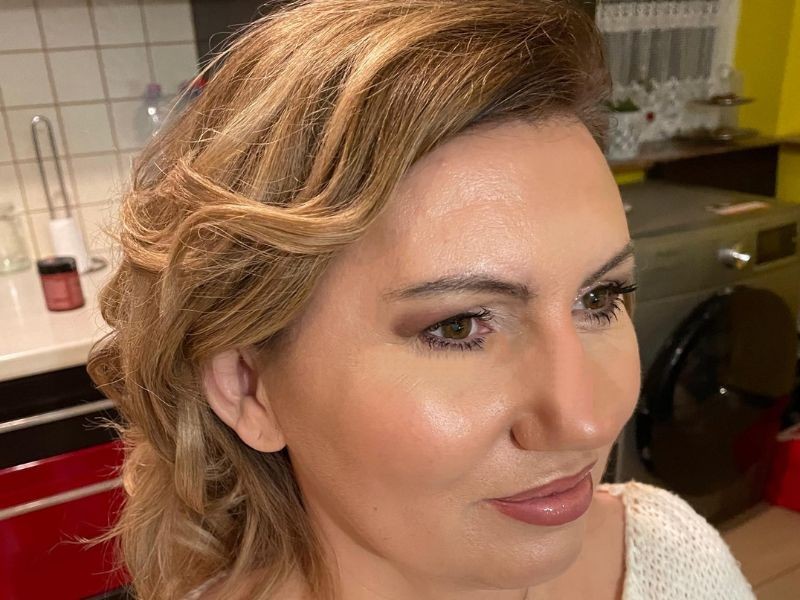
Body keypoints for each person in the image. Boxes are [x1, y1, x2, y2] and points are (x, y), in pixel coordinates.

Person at [88, 1, 756, 598]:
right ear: (247, 387)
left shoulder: (670, 558)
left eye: (599, 298)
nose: (586, 420)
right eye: (460, 326)